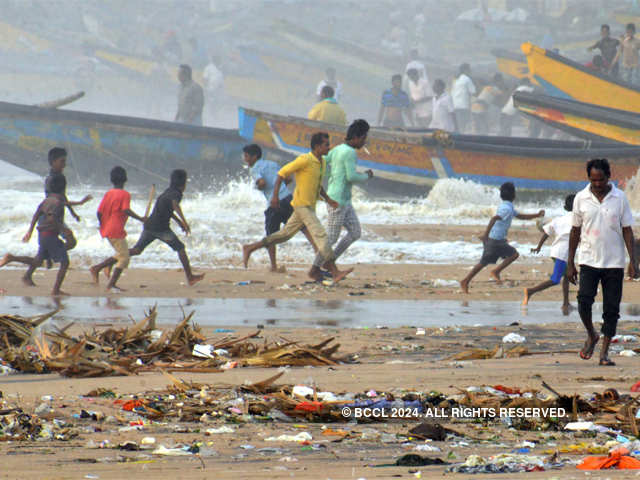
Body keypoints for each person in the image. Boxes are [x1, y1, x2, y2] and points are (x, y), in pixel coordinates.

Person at [242, 132, 353, 283]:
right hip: (301, 205)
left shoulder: (322, 162)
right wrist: (275, 196)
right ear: (317, 146)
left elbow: (317, 184)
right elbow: (282, 174)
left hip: (307, 205)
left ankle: (251, 247)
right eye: (326, 144)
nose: (329, 147)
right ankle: (334, 271)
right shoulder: (304, 160)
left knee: (284, 235)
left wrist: (328, 199)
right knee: (319, 234)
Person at [567, 158, 636, 366]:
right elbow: (575, 230)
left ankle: (604, 353)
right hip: (588, 259)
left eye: (601, 179)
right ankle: (591, 334)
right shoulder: (581, 198)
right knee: (584, 301)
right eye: (593, 180)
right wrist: (570, 262)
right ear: (589, 178)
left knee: (611, 309)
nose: (597, 184)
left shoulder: (619, 198)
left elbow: (627, 229)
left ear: (608, 176)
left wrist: (633, 260)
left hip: (614, 262)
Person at [310, 120, 372, 276]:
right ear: (357, 137)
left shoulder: (338, 149)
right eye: (364, 138)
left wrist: (329, 176)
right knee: (331, 237)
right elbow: (351, 177)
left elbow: (323, 161)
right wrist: (366, 176)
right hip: (337, 200)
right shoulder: (350, 152)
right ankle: (314, 268)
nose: (365, 142)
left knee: (355, 232)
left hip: (344, 200)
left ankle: (328, 262)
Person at [243, 143, 316, 272]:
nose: (245, 159)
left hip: (274, 203)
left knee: (272, 234)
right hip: (288, 198)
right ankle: (318, 252)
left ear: (254, 157)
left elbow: (262, 182)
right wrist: (280, 188)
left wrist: (259, 187)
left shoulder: (254, 169)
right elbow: (288, 179)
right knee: (303, 227)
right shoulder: (272, 164)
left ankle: (272, 265)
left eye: (247, 156)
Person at [460, 182, 544, 293]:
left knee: (484, 262)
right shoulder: (507, 209)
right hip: (495, 241)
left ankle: (469, 280)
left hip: (496, 239)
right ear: (513, 195)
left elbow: (521, 216)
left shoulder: (507, 206)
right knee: (513, 255)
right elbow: (494, 219)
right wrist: (485, 236)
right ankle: (490, 273)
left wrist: (536, 215)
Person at [129, 169, 205, 286]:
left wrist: (179, 222)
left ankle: (103, 265)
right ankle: (190, 277)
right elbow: (174, 205)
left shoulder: (168, 191)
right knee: (180, 248)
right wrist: (185, 222)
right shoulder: (177, 194)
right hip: (161, 229)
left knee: (137, 250)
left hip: (150, 225)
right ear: (183, 183)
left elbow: (169, 209)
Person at [0, 175, 71, 295]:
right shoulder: (58, 203)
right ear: (64, 188)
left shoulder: (46, 201)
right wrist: (64, 229)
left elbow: (36, 215)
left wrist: (30, 231)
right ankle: (56, 289)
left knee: (37, 261)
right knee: (65, 262)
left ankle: (12, 258)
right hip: (51, 235)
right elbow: (52, 219)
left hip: (42, 235)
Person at [89, 167, 146, 291]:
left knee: (121, 254)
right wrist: (140, 218)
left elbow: (99, 212)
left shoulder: (109, 193)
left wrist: (102, 224)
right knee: (124, 258)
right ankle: (111, 284)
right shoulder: (125, 194)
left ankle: (97, 268)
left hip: (107, 229)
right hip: (115, 229)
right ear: (125, 179)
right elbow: (126, 209)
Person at [523, 194, 576, 312]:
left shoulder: (559, 219)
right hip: (562, 254)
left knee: (567, 276)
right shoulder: (577, 220)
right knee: (555, 280)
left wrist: (538, 247)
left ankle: (566, 303)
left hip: (556, 251)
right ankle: (530, 291)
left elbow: (546, 232)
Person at [451, 63, 476, 134]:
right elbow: (473, 92)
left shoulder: (456, 79)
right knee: (464, 125)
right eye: (469, 69)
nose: (470, 71)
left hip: (455, 105)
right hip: (464, 105)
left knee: (459, 125)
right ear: (466, 70)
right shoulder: (467, 79)